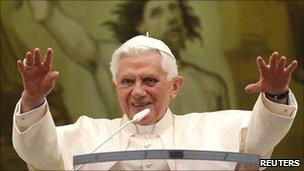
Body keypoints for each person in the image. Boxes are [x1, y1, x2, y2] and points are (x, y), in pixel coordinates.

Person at [13, 35, 298, 170]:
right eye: (127, 82)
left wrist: (274, 96)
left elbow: (260, 143)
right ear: (115, 87)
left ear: (175, 86)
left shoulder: (215, 129)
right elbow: (40, 155)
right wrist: (34, 99)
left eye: (149, 81)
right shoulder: (87, 135)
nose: (137, 92)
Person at [27, 0, 231, 118]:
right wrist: (46, 13)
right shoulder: (113, 61)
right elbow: (75, 38)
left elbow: (231, 143)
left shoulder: (211, 84)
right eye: (156, 12)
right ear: (141, 25)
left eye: (173, 8)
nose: (170, 17)